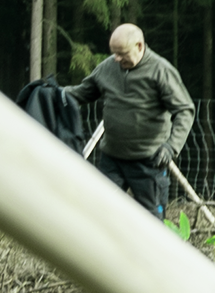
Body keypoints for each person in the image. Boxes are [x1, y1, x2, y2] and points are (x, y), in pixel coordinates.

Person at [67, 23, 195, 219]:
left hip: (149, 162)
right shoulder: (108, 68)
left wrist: (171, 147)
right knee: (99, 215)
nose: (117, 59)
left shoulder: (161, 71)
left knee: (151, 222)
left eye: (122, 53)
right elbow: (81, 93)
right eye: (114, 53)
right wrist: (53, 93)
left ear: (139, 46)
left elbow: (185, 110)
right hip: (112, 160)